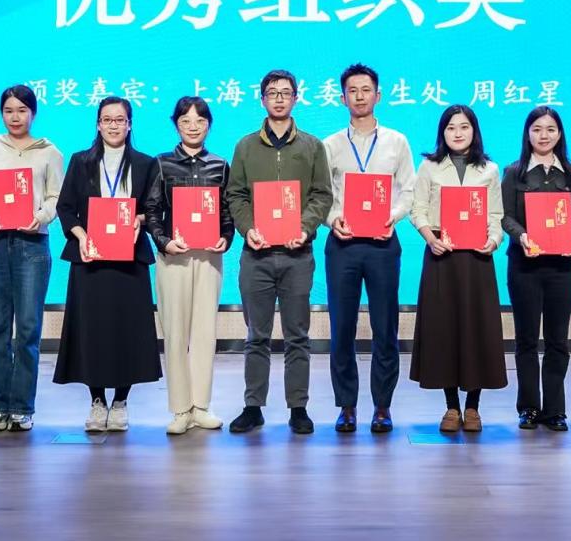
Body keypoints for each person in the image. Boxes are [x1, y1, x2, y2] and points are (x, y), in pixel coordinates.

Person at [225, 69, 333, 435]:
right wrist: (248, 229)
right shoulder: (245, 146)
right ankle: (253, 406)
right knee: (256, 335)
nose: (279, 98)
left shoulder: (312, 146)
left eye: (286, 92)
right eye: (272, 92)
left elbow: (322, 195)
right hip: (255, 254)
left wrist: (304, 227)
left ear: (296, 98)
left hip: (297, 255)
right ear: (262, 99)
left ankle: (298, 408)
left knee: (297, 336)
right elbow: (236, 195)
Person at [54, 96, 161, 433]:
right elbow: (65, 207)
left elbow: (153, 208)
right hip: (90, 257)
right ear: (98, 124)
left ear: (129, 125)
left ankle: (121, 401)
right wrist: (81, 235)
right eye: (107, 120)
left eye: (120, 120)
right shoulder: (81, 161)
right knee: (93, 330)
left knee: (128, 329)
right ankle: (97, 400)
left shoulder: (146, 164)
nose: (114, 125)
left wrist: (139, 220)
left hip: (130, 258)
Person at [322, 63, 416, 434]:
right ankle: (346, 406)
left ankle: (382, 405)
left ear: (378, 95)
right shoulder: (330, 145)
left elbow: (408, 190)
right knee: (342, 327)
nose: (359, 96)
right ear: (342, 97)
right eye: (352, 90)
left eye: (366, 90)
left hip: (382, 244)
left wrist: (392, 217)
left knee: (384, 326)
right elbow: (321, 195)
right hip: (342, 245)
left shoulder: (397, 141)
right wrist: (333, 219)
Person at [0, 84, 64, 433]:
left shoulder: (49, 151)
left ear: (33, 113)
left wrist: (40, 217)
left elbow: (56, 196)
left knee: (27, 329)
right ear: (1, 114)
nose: (15, 117)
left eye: (22, 110)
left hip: (32, 246)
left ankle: (22, 406)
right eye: (9, 110)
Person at [409, 104, 506, 434]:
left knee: (476, 329)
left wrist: (493, 241)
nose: (458, 133)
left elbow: (495, 216)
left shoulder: (489, 170)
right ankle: (451, 406)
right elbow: (418, 210)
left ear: (474, 131)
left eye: (464, 126)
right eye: (451, 127)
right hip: (442, 257)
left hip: (477, 260)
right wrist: (430, 238)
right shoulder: (429, 167)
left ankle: (473, 407)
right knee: (445, 330)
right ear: (443, 133)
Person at [143, 96, 234, 435]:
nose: (193, 127)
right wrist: (164, 241)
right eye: (185, 122)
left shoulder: (220, 165)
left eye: (200, 121)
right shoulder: (162, 163)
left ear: (209, 125)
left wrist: (226, 237)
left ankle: (201, 406)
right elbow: (152, 211)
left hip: (209, 257)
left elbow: (227, 211)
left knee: (205, 333)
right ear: (176, 125)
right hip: (174, 258)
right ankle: (181, 409)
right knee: (176, 332)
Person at [500, 106, 571, 433]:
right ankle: (528, 408)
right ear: (527, 134)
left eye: (550, 129)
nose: (544, 135)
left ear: (559, 134)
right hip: (524, 266)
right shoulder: (514, 172)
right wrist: (521, 235)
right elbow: (505, 216)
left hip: (562, 267)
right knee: (525, 340)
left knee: (557, 340)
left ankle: (555, 410)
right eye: (537, 129)